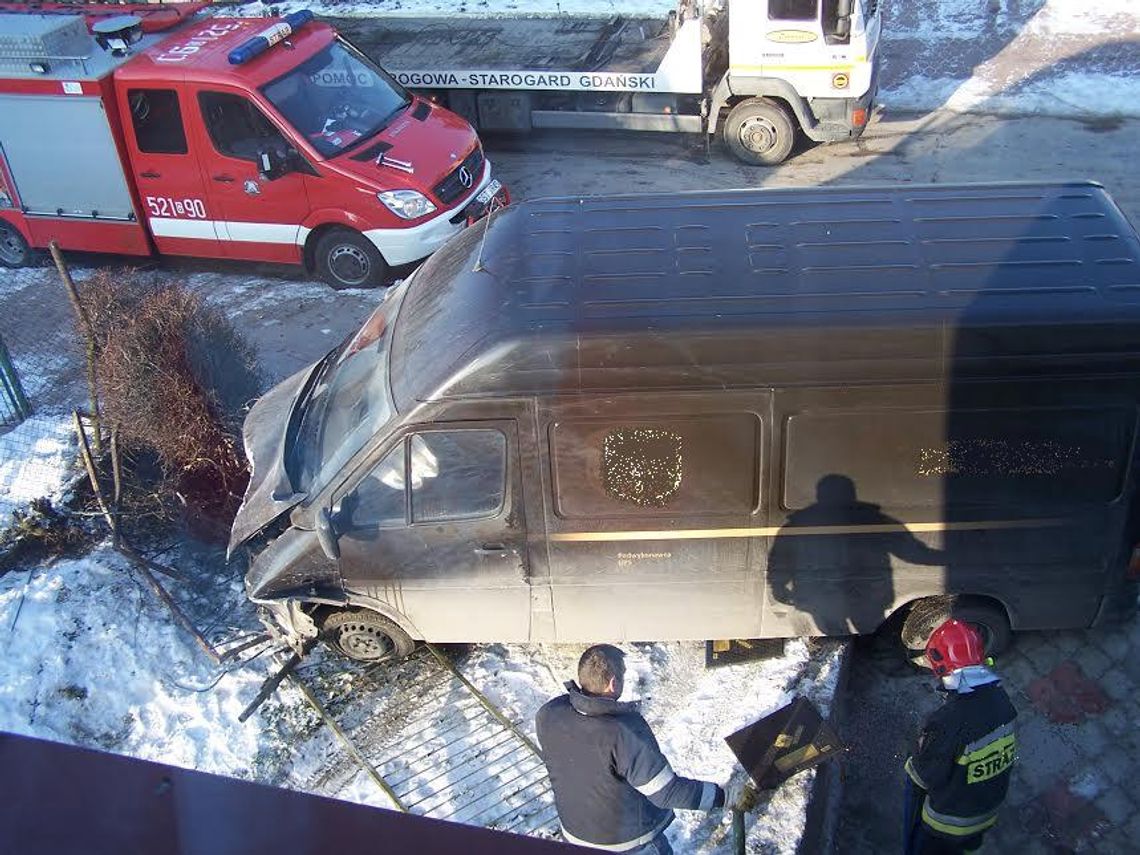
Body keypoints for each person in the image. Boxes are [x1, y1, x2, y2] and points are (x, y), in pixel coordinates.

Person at [535, 644, 750, 854]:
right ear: (612, 683)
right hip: (627, 845)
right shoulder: (623, 733)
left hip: (574, 838)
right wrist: (724, 796)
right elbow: (667, 792)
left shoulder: (548, 714)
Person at [903, 619, 1018, 854]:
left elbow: (926, 775)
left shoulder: (947, 721)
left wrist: (916, 748)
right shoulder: (1002, 700)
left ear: (940, 665)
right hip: (985, 816)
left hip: (946, 826)